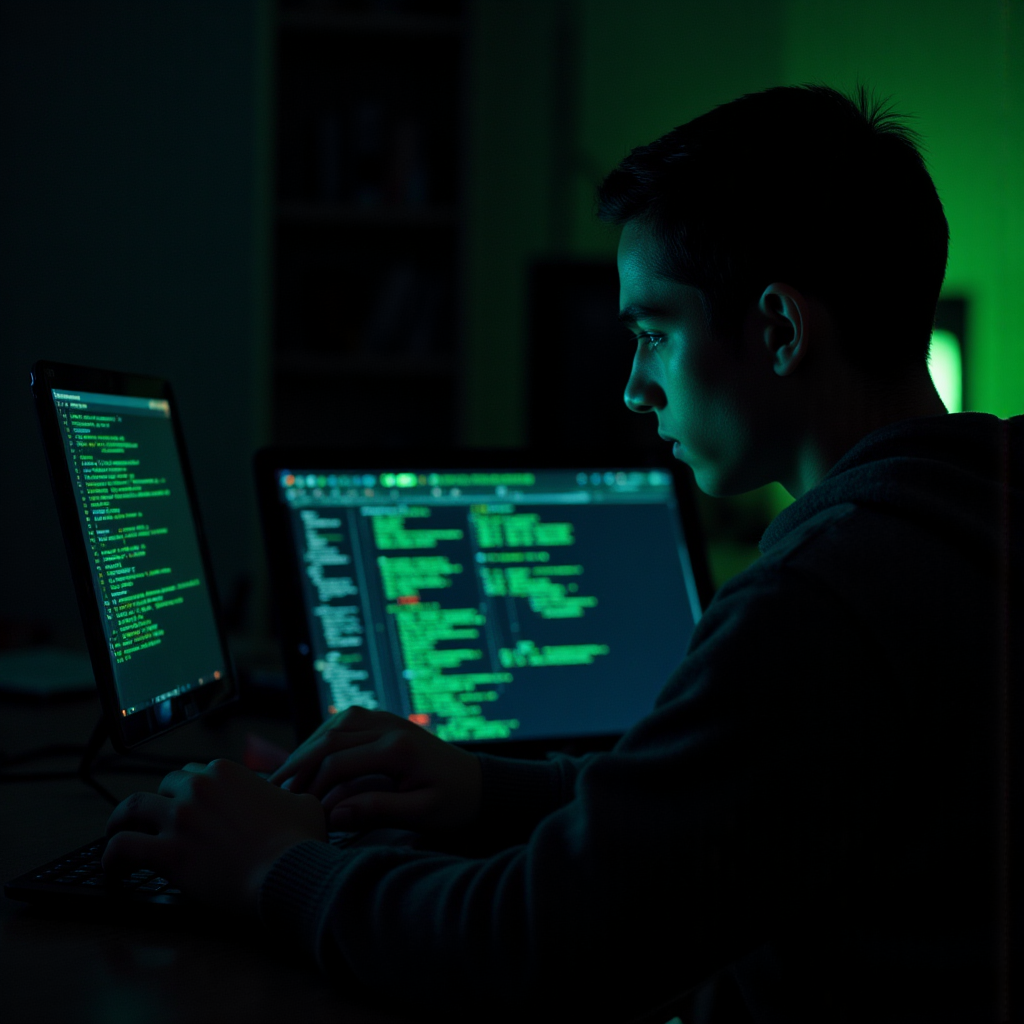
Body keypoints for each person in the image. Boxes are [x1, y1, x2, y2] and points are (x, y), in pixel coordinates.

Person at [103, 85, 1020, 1022]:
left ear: (779, 331)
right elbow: (725, 805)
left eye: (653, 334)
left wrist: (272, 866)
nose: (634, 388)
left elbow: (528, 948)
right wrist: (482, 788)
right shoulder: (970, 513)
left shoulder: (824, 597)